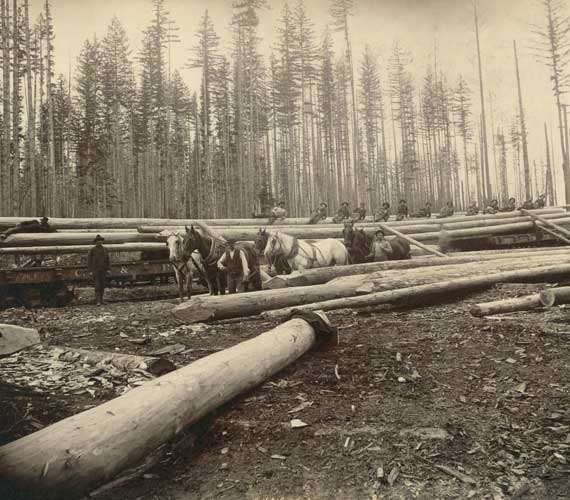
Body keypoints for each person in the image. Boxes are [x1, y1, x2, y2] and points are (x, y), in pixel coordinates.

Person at [87, 234, 110, 305]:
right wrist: (90, 271)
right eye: (98, 241)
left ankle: (102, 300)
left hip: (103, 270)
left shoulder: (105, 249)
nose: (99, 242)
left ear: (102, 242)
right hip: (95, 270)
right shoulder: (92, 250)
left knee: (103, 285)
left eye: (100, 241)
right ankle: (98, 301)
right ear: (95, 242)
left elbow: (108, 260)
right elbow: (89, 261)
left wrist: (108, 269)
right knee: (97, 285)